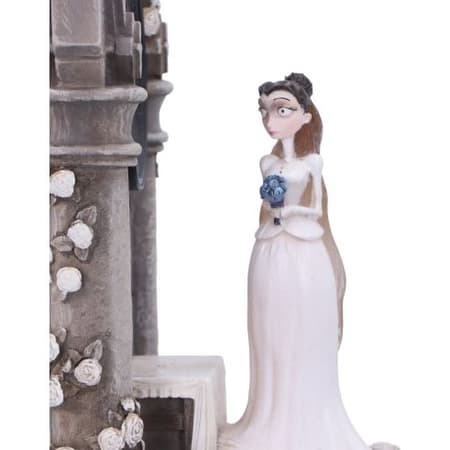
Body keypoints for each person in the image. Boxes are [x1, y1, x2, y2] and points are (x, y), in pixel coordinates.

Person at [218, 73, 370, 450]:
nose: (270, 119)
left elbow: (316, 209)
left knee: (304, 335)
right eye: (265, 111)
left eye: (281, 110)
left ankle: (306, 420)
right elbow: (267, 209)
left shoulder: (313, 163)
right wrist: (275, 211)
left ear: (304, 116)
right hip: (270, 251)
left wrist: (289, 210)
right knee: (271, 333)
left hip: (305, 252)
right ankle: (268, 416)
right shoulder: (266, 163)